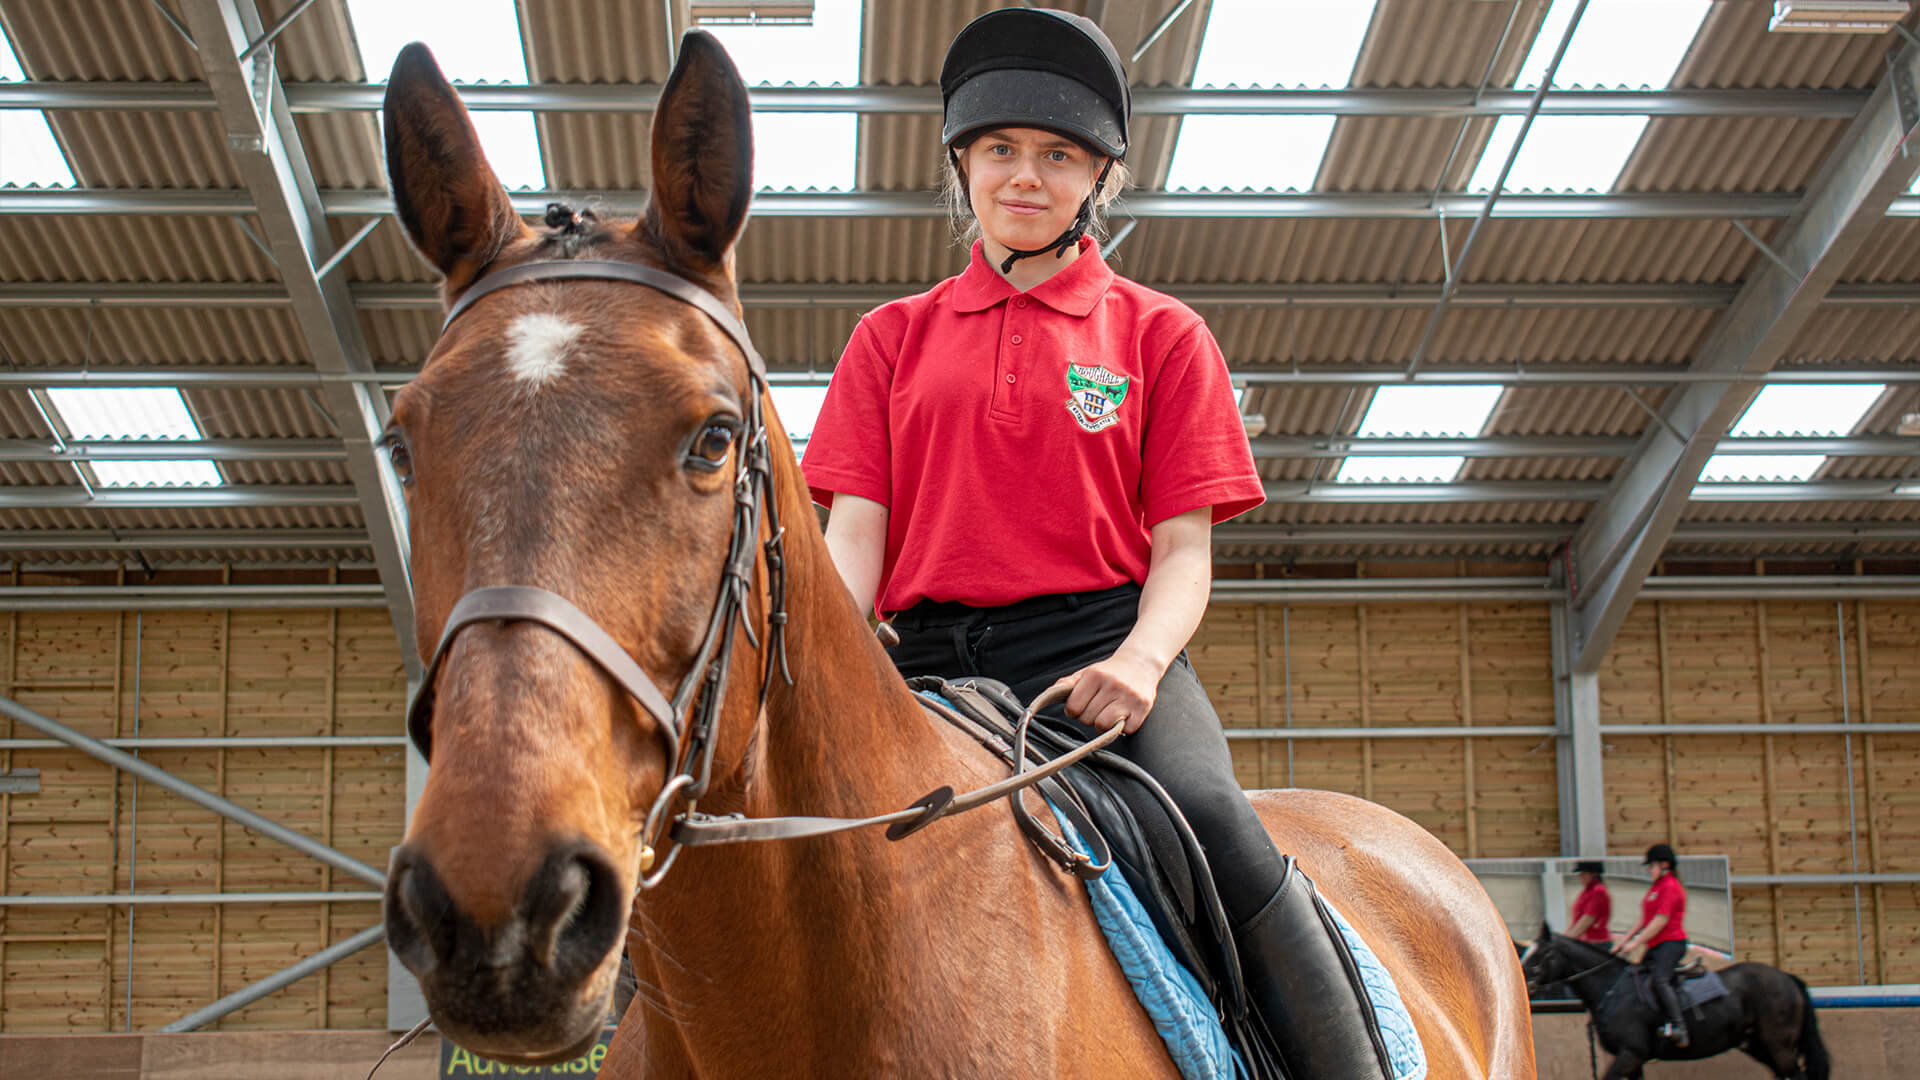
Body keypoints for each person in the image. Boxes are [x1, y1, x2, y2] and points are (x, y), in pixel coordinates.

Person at [800, 9, 1392, 1077]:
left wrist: (1140, 663)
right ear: (963, 165)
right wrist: (817, 665)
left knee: (1215, 818)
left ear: (1100, 179)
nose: (1025, 176)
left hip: (1097, 653)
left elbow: (1183, 553)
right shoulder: (888, 337)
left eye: (1058, 156)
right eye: (1000, 151)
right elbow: (853, 542)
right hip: (919, 662)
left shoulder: (1162, 336)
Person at [1616, 843, 1690, 1047]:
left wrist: (1636, 943)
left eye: (1652, 865)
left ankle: (1679, 1027)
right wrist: (1624, 940)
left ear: (1665, 865)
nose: (1649, 869)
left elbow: (1660, 920)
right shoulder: (1655, 887)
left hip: (1672, 943)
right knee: (1637, 977)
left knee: (1660, 980)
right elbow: (1643, 919)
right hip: (1657, 944)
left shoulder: (1670, 887)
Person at [1566, 859, 1612, 947]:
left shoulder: (1598, 891)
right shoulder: (1586, 891)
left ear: (1594, 874)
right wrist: (1565, 936)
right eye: (1579, 873)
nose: (1580, 876)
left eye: (1583, 873)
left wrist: (1568, 940)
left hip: (1596, 943)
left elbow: (1588, 919)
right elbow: (1576, 920)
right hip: (1584, 941)